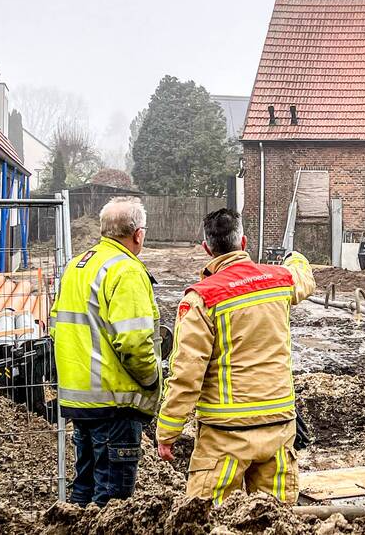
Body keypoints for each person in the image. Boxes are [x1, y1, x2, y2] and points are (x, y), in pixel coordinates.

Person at [155, 208, 314, 504]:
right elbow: (304, 277)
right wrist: (295, 258)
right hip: (278, 428)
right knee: (276, 520)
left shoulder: (201, 299)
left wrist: (168, 430)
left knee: (206, 517)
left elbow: (187, 374)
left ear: (207, 249)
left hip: (225, 436)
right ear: (243, 242)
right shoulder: (279, 280)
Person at [50, 196, 161, 507]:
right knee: (112, 505)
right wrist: (152, 381)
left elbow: (56, 326)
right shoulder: (126, 270)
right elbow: (136, 345)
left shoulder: (77, 266)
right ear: (138, 234)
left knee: (83, 494)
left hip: (80, 403)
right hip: (115, 405)